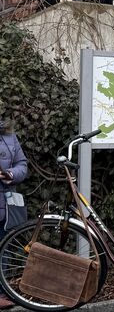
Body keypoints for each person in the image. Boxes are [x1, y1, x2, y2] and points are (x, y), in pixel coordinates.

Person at [0, 119, 28, 310]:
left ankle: (1, 292)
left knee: (3, 250)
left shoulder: (9, 136)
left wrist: (10, 174)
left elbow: (22, 164)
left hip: (4, 207)